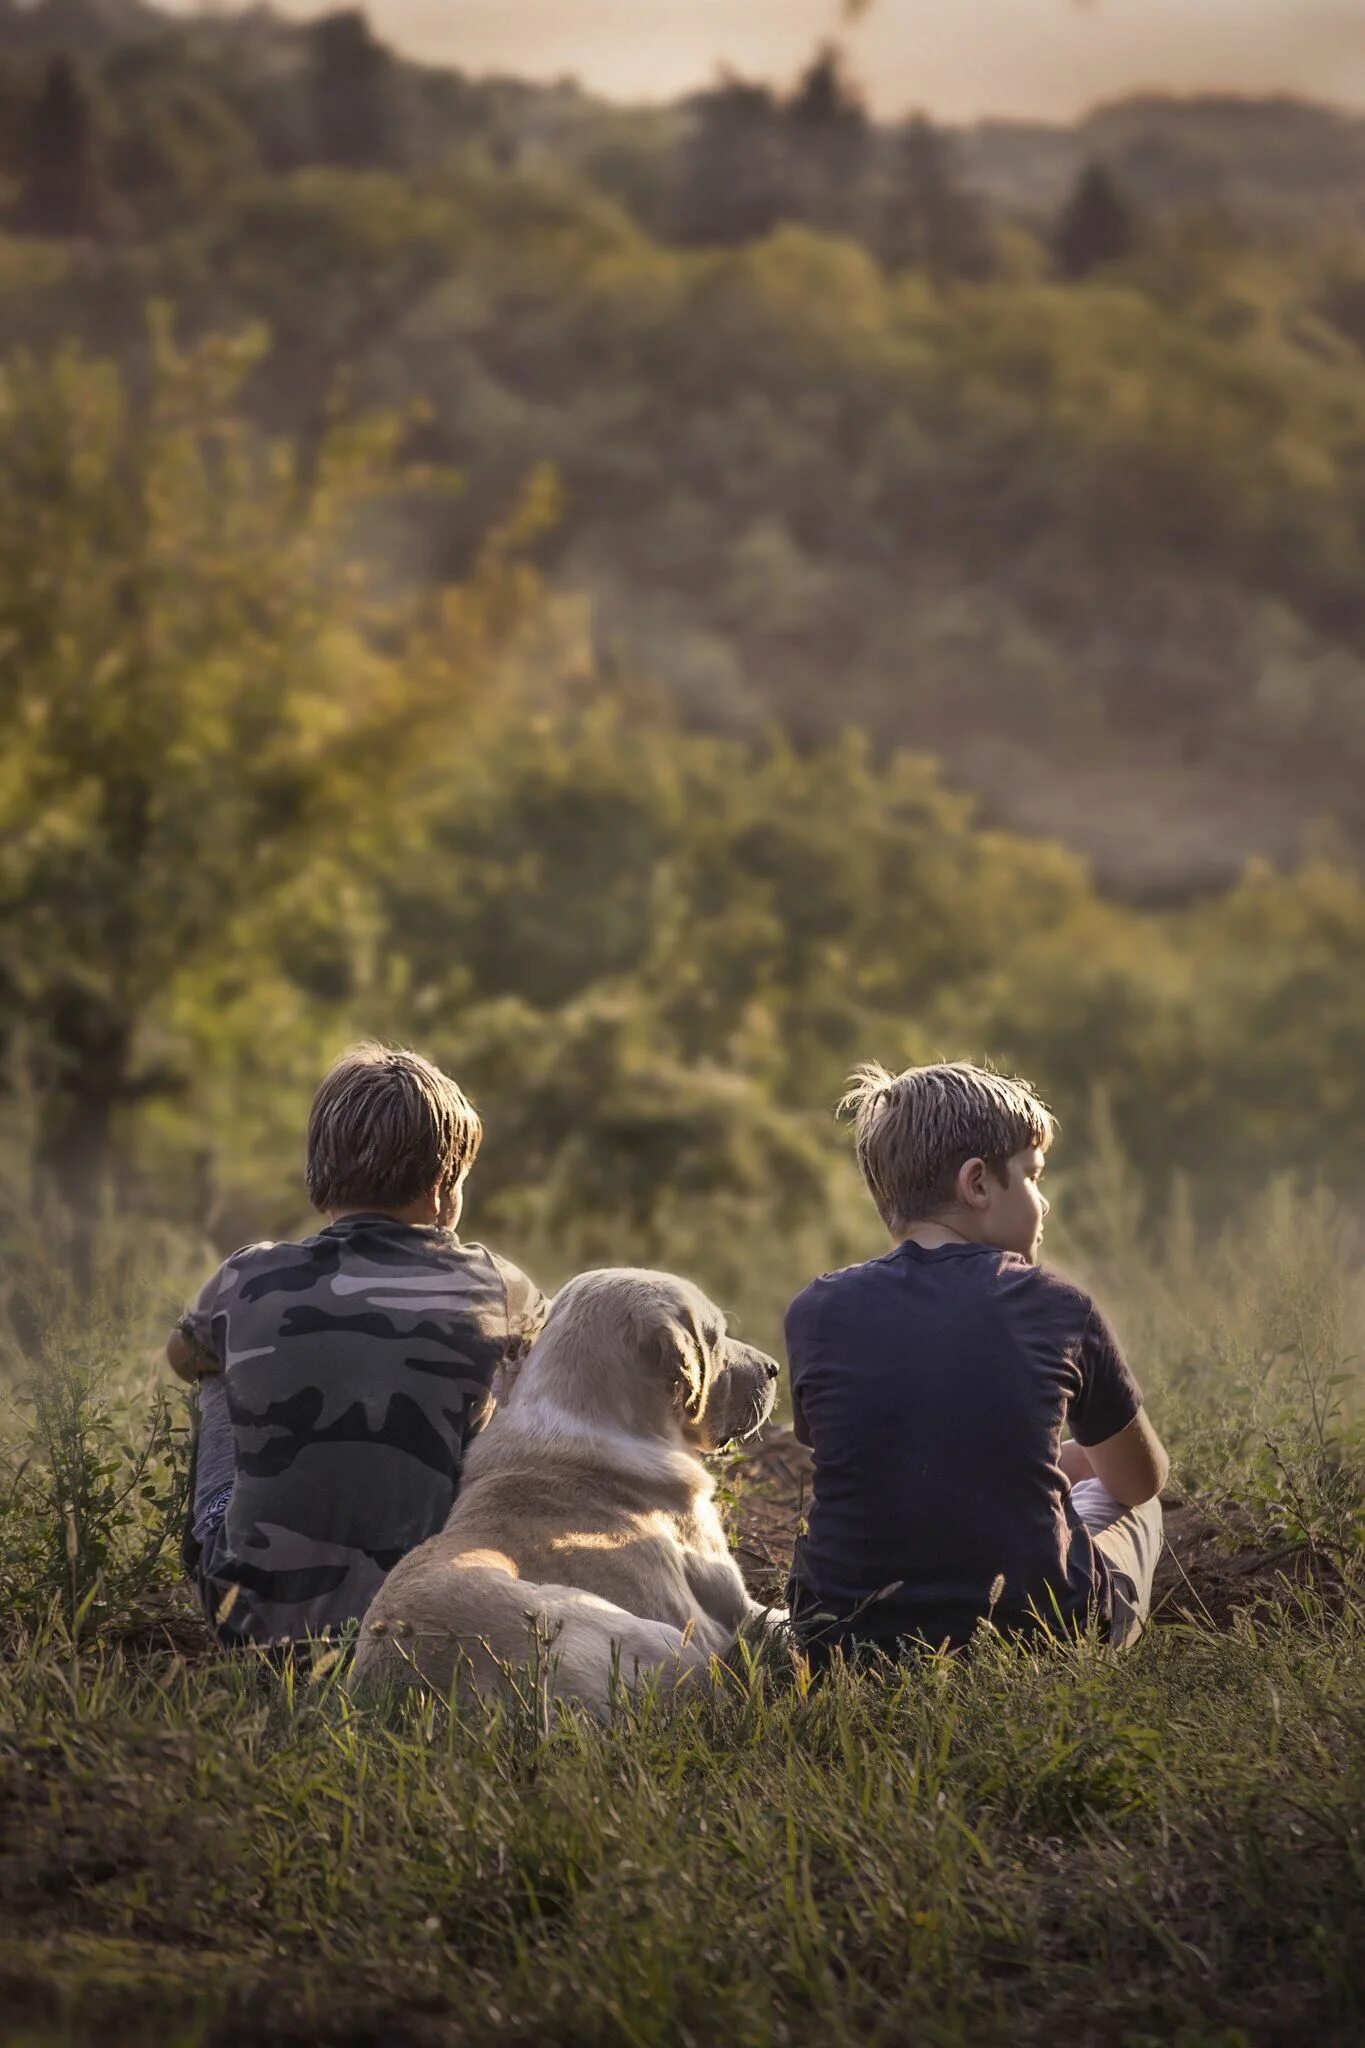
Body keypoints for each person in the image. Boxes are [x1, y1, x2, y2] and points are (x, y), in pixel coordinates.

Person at [167, 1043, 548, 1649]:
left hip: (245, 1616)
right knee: (517, 1377)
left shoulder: (247, 1275)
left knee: (216, 1367)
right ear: (445, 1183)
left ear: (321, 1166)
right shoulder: (500, 1285)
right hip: (431, 1615)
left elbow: (181, 1360)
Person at [785, 1061, 1168, 1662]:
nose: (1043, 1203)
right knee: (1133, 1505)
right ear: (979, 1184)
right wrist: (1067, 1467)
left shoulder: (815, 1310)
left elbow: (884, 1457)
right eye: (1034, 1177)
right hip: (1042, 1640)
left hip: (841, 1646)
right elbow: (1139, 1479)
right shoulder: (1058, 1304)